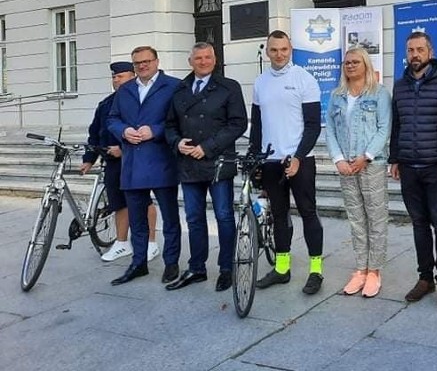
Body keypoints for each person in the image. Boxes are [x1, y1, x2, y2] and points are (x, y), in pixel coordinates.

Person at [389, 32, 437, 308]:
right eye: (410, 50)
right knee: (419, 224)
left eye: (420, 49)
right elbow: (397, 125)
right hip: (409, 166)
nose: (415, 55)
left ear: (430, 52)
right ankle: (425, 278)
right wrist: (394, 158)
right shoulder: (399, 86)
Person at [164, 43, 248, 292]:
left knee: (223, 215)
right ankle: (197, 268)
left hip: (218, 162)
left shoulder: (229, 87)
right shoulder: (179, 90)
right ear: (190, 60)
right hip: (189, 163)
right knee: (194, 217)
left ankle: (226, 268)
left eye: (207, 57)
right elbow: (169, 125)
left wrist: (208, 147)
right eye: (198, 58)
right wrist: (177, 143)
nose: (203, 61)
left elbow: (238, 124)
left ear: (215, 59)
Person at [250, 30, 324, 295]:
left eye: (284, 49)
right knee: (279, 216)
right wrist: (254, 158)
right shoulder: (260, 82)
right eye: (274, 50)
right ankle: (282, 268)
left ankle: (316, 270)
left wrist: (299, 157)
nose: (279, 55)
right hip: (271, 160)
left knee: (308, 213)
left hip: (300, 160)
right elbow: (257, 124)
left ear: (290, 49)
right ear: (267, 51)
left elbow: (314, 126)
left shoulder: (304, 79)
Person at [107, 46, 182, 286]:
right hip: (132, 163)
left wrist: (156, 130)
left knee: (170, 219)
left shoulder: (173, 86)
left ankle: (171, 263)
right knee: (137, 219)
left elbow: (181, 120)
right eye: (137, 63)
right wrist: (123, 131)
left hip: (161, 160)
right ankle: (138, 263)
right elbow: (112, 118)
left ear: (157, 61)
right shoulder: (126, 89)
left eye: (147, 61)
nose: (142, 66)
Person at [326, 47, 392, 298]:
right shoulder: (337, 96)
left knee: (375, 218)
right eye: (347, 62)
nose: (350, 66)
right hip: (346, 167)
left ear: (365, 64)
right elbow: (330, 129)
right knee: (356, 219)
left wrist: (367, 156)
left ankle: (374, 271)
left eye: (355, 62)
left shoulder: (379, 94)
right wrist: (338, 159)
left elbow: (384, 128)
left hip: (371, 164)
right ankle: (360, 269)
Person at [82, 61, 159, 263]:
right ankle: (122, 243)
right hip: (112, 162)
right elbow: (95, 133)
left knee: (144, 201)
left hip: (138, 161)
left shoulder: (143, 100)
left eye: (121, 76)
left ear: (132, 77)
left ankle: (151, 243)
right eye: (114, 77)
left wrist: (124, 149)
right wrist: (89, 159)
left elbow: (149, 132)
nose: (116, 80)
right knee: (118, 203)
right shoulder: (106, 104)